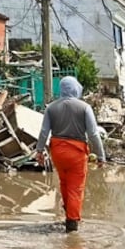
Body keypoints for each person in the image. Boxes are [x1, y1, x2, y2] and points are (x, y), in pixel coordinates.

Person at [34, 76, 106, 233]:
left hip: (57, 152)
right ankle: (72, 224)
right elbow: (93, 134)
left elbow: (44, 132)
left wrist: (39, 151)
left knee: (64, 183)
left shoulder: (51, 108)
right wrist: (101, 155)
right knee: (75, 187)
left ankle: (69, 212)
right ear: (76, 88)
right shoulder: (85, 107)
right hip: (77, 152)